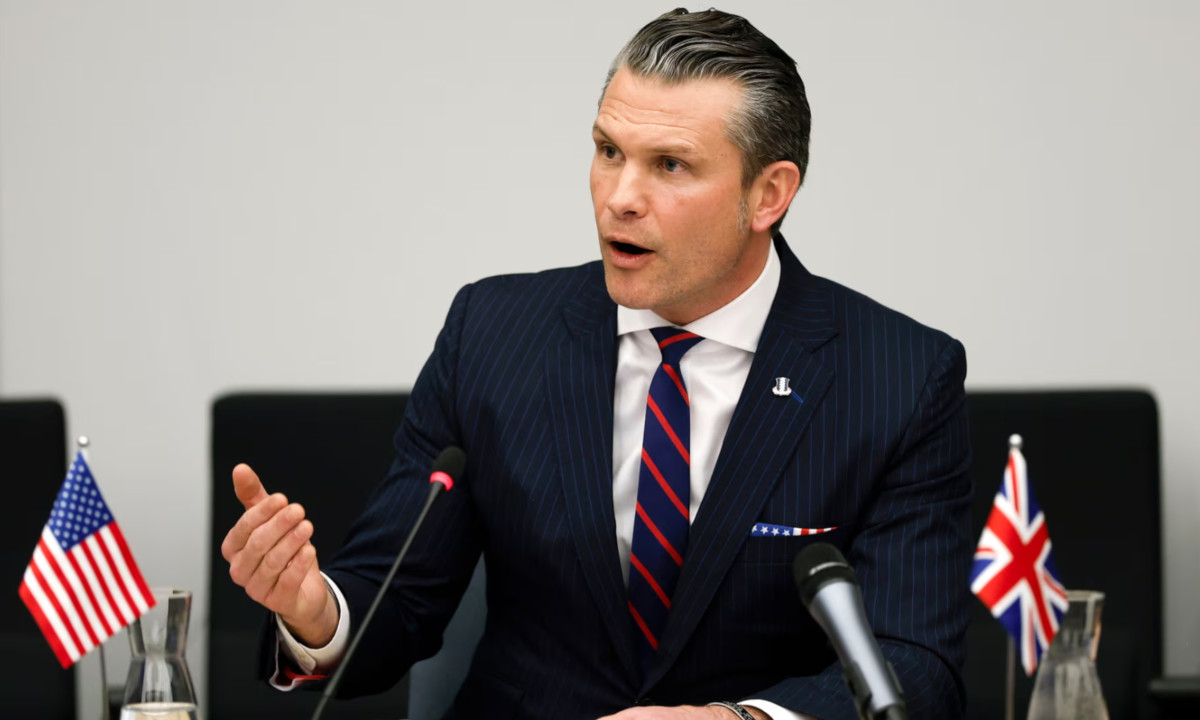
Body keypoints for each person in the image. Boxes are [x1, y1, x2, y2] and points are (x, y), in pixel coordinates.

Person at [220, 8, 973, 720]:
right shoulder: (494, 333)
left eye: (670, 165)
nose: (620, 198)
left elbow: (913, 662)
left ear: (768, 194)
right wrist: (316, 613)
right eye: (609, 151)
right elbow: (398, 598)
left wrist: (733, 718)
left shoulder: (899, 378)